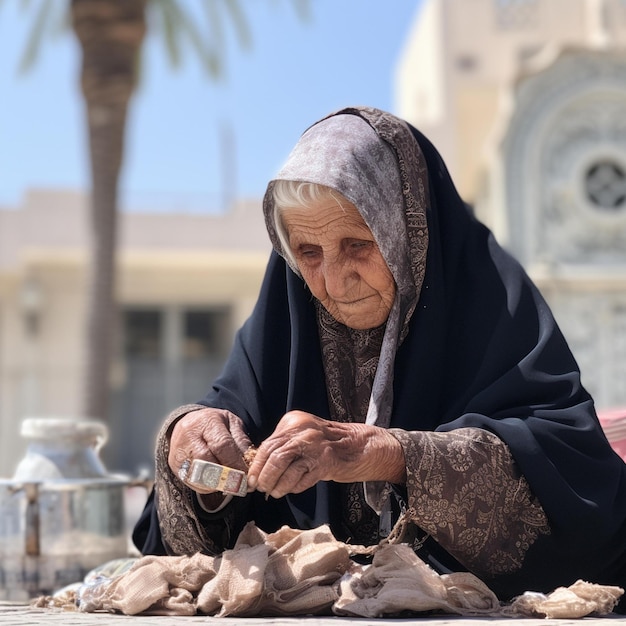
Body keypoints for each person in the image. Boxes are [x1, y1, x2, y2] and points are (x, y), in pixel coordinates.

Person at [133, 105, 626, 608]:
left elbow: (575, 485)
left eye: (358, 244)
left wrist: (384, 454)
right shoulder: (284, 320)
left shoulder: (493, 305)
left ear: (408, 235)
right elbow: (190, 542)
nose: (332, 279)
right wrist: (188, 448)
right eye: (308, 253)